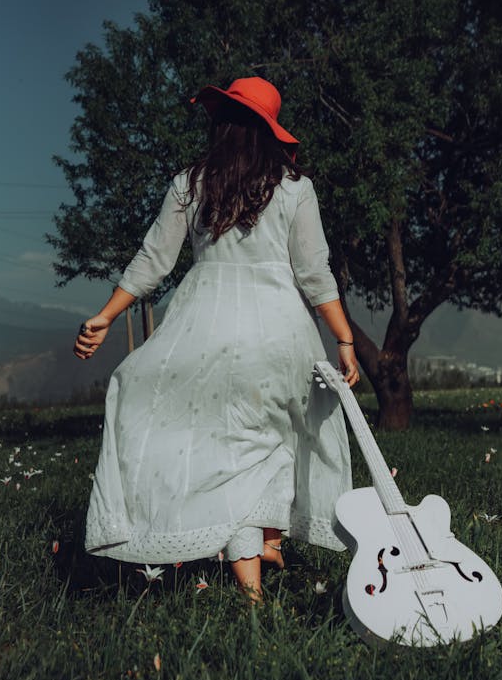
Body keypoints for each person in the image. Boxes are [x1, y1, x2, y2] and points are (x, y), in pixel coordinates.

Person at [74, 76, 358, 602]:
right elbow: (314, 273)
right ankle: (260, 555)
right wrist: (343, 339)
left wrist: (106, 315)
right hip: (278, 330)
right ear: (271, 133)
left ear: (222, 123)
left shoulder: (190, 183)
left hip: (201, 327)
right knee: (271, 440)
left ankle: (253, 564)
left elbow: (154, 260)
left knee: (222, 446)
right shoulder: (295, 187)